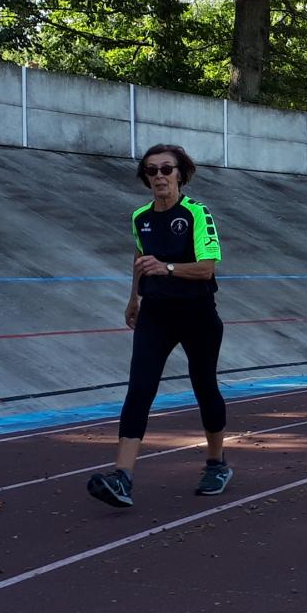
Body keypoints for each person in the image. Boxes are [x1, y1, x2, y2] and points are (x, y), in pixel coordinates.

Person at [87, 144, 230, 507]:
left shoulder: (197, 213)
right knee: (139, 389)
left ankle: (216, 463)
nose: (159, 177)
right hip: (156, 314)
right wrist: (133, 298)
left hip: (197, 313)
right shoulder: (140, 217)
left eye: (167, 169)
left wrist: (166, 268)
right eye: (151, 171)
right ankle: (122, 476)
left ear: (181, 173)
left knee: (204, 386)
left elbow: (207, 269)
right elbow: (139, 257)